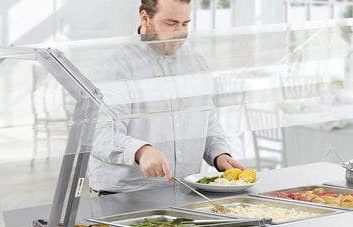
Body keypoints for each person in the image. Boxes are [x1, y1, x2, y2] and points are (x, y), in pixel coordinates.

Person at [88, 0, 244, 195]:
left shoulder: (195, 62)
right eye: (170, 24)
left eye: (185, 24)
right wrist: (141, 151)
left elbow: (207, 119)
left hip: (187, 190)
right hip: (125, 195)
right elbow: (98, 135)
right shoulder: (115, 66)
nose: (179, 32)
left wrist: (219, 154)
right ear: (145, 18)